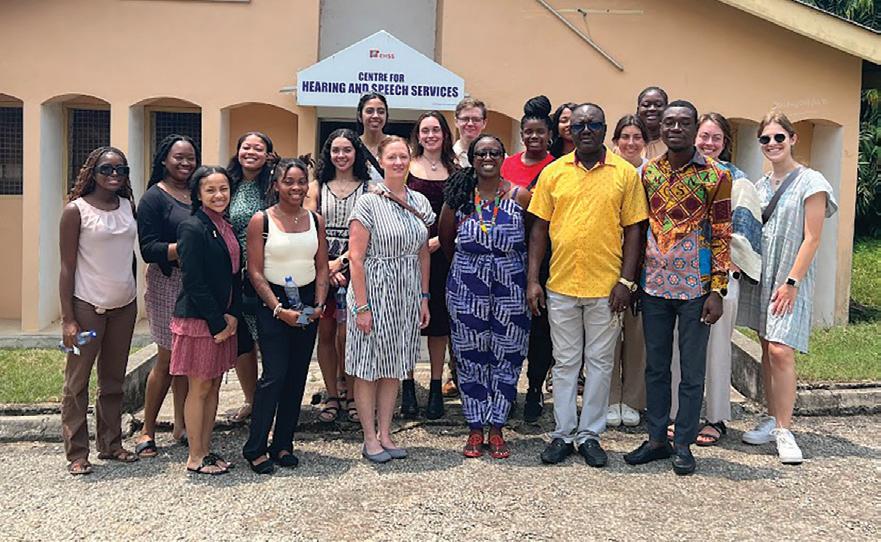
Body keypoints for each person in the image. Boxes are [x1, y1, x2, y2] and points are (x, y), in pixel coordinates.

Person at [528, 104, 648, 468]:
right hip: (561, 284)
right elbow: (539, 229)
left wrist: (626, 281)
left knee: (599, 363)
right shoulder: (553, 172)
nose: (585, 130)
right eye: (578, 124)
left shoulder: (624, 174)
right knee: (565, 363)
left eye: (593, 124)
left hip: (606, 287)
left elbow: (634, 230)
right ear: (569, 131)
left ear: (604, 129)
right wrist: (533, 280)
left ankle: (590, 435)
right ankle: (563, 433)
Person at [624, 100, 731, 476]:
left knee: (691, 371)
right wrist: (633, 282)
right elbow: (639, 228)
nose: (675, 128)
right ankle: (656, 439)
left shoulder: (716, 176)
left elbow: (722, 233)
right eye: (669, 122)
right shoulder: (648, 172)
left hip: (696, 289)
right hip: (653, 285)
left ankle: (683, 442)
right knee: (655, 367)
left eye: (683, 123)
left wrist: (718, 289)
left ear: (694, 127)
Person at [738, 111, 837, 464]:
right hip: (763, 275)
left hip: (789, 277)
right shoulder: (760, 186)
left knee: (781, 350)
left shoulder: (812, 181)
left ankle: (785, 429)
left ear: (793, 139)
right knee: (767, 346)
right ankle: (772, 418)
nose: (772, 144)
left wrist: (792, 282)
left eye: (779, 137)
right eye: (765, 139)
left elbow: (812, 238)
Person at [667, 112, 764, 446]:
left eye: (716, 138)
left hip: (720, 278)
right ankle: (679, 414)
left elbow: (743, 234)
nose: (708, 143)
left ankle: (716, 417)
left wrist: (719, 273)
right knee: (680, 347)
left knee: (717, 349)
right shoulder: (681, 176)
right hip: (680, 277)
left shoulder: (739, 182)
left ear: (725, 143)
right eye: (704, 136)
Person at [441, 135, 532, 458]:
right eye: (481, 153)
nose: (488, 158)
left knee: (508, 354)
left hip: (511, 285)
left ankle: (497, 427)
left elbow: (534, 238)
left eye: (494, 152)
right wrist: (472, 269)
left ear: (503, 157)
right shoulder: (459, 197)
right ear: (472, 158)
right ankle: (475, 426)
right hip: (467, 285)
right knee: (469, 355)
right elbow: (446, 239)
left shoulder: (520, 196)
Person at [347, 136, 434, 463]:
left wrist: (423, 297)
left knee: (394, 365)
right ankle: (369, 436)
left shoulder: (420, 201)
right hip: (374, 289)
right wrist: (362, 306)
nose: (398, 162)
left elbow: (423, 254)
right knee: (368, 366)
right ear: (381, 161)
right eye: (392, 157)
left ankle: (385, 432)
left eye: (403, 157)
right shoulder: (367, 203)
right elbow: (356, 258)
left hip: (406, 291)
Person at [242, 158, 329, 474]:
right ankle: (255, 447)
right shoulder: (261, 220)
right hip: (273, 303)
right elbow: (254, 271)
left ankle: (283, 444)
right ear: (276, 185)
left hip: (306, 301)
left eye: (301, 181)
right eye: (289, 181)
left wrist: (319, 304)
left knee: (296, 376)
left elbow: (322, 266)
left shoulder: (315, 220)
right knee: (274, 375)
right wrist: (278, 309)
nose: (296, 187)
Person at [59, 146, 140, 475]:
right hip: (86, 306)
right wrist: (68, 318)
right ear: (92, 172)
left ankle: (111, 443)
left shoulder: (128, 206)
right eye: (106, 169)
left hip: (124, 306)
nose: (114, 175)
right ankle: (77, 452)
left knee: (113, 380)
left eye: (121, 170)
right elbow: (67, 267)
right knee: (77, 382)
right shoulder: (75, 211)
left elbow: (129, 256)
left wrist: (131, 288)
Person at [171, 165, 241, 475]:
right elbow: (193, 281)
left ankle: (206, 449)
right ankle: (195, 457)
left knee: (213, 386)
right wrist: (218, 323)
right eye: (210, 190)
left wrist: (232, 315)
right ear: (198, 194)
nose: (218, 195)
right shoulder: (192, 227)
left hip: (224, 319)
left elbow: (234, 275)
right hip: (200, 321)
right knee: (199, 387)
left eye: (223, 189)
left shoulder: (224, 225)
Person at [134, 134, 199, 457]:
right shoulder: (153, 198)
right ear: (164, 160)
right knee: (167, 357)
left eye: (190, 158)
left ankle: (181, 425)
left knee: (186, 359)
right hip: (167, 283)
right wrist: (185, 248)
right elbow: (149, 249)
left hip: (197, 284)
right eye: (178, 157)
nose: (185, 163)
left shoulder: (198, 192)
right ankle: (147, 429)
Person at [305, 129, 373, 424]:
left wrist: (342, 262)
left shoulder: (369, 188)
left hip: (356, 265)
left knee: (350, 336)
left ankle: (352, 393)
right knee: (326, 333)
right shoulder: (316, 187)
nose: (341, 155)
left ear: (356, 153)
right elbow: (308, 227)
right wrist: (326, 267)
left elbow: (371, 231)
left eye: (347, 150)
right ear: (328, 153)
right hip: (321, 266)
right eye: (336, 150)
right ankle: (332, 394)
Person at [501, 96, 556, 422]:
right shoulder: (505, 164)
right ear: (521, 134)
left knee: (539, 328)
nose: (534, 137)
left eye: (540, 132)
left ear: (549, 135)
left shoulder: (558, 166)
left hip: (545, 256)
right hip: (506, 255)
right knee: (507, 326)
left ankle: (534, 388)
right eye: (528, 132)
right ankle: (506, 389)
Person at [404, 111, 459, 419]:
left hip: (444, 256)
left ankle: (436, 386)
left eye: (436, 129)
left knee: (439, 323)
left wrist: (440, 240)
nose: (430, 135)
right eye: (425, 130)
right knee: (409, 323)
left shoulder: (457, 169)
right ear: (418, 135)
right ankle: (407, 386)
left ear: (445, 134)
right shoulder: (407, 167)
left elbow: (463, 212)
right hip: (409, 255)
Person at [227, 131, 276, 423]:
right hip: (234, 271)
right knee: (242, 340)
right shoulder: (227, 183)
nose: (251, 152)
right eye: (246, 147)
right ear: (238, 151)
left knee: (269, 338)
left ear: (268, 154)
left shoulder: (274, 185)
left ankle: (272, 400)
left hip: (271, 270)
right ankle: (251, 399)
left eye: (259, 148)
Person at [607, 115, 650, 428]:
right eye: (625, 137)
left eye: (637, 137)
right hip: (608, 260)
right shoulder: (607, 171)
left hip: (646, 265)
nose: (631, 143)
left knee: (637, 335)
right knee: (607, 335)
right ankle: (609, 398)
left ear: (645, 142)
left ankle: (633, 400)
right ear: (615, 141)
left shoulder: (653, 173)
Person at [357, 92, 389, 181]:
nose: (375, 116)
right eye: (369, 111)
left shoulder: (396, 145)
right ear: (359, 116)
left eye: (381, 112)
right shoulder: (352, 146)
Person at [453, 97, 488, 167]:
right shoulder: (446, 157)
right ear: (456, 122)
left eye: (476, 119)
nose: (470, 124)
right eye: (465, 119)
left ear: (484, 123)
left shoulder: (498, 158)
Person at [636, 86, 669, 160]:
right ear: (638, 110)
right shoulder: (628, 143)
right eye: (646, 105)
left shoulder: (672, 144)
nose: (652, 109)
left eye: (658, 105)